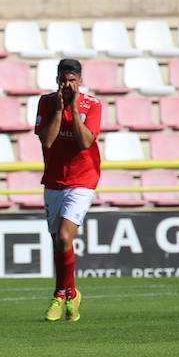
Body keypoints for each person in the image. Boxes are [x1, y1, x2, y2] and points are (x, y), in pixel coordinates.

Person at [33, 58, 102, 323]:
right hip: (53, 179)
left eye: (73, 80)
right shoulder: (47, 102)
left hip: (83, 178)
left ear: (80, 81)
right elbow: (47, 140)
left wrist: (73, 107)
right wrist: (60, 110)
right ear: (57, 80)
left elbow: (85, 142)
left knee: (64, 236)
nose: (68, 84)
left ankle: (59, 295)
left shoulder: (92, 105)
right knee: (58, 243)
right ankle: (71, 293)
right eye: (64, 80)